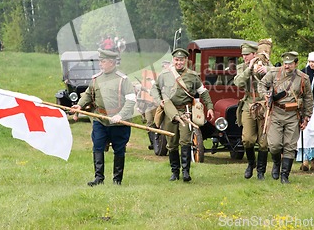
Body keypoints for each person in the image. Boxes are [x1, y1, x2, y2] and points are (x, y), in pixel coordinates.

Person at [70, 49, 136, 186]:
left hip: (119, 122)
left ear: (111, 62)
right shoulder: (96, 79)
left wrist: (120, 115)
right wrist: (79, 105)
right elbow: (88, 94)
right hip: (100, 119)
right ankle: (98, 178)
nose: (100, 64)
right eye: (100, 61)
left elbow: (131, 100)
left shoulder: (123, 80)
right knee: (97, 147)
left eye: (103, 61)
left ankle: (117, 179)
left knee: (119, 149)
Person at [151, 48, 214, 182]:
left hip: (185, 112)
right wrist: (159, 101)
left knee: (185, 141)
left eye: (182, 60)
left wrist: (210, 107)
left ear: (186, 60)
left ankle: (186, 172)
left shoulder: (192, 76)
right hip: (169, 113)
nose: (179, 62)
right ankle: (175, 172)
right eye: (177, 60)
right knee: (172, 143)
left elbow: (203, 92)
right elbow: (154, 88)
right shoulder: (164, 74)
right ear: (173, 60)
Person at [259, 51, 314, 184]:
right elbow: (261, 84)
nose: (287, 66)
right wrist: (265, 95)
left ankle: (285, 176)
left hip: (293, 115)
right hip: (276, 113)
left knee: (290, 146)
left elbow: (308, 98)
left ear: (296, 64)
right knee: (274, 145)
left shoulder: (303, 78)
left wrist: (307, 117)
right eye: (285, 63)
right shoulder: (274, 73)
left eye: (290, 64)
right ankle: (277, 163)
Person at [234, 43, 270, 180]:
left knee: (263, 141)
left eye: (247, 55)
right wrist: (249, 69)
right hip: (248, 104)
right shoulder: (242, 67)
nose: (244, 57)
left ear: (254, 54)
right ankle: (251, 163)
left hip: (263, 104)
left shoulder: (266, 64)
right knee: (247, 139)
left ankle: (261, 171)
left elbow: (277, 75)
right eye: (243, 55)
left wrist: (266, 69)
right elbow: (238, 83)